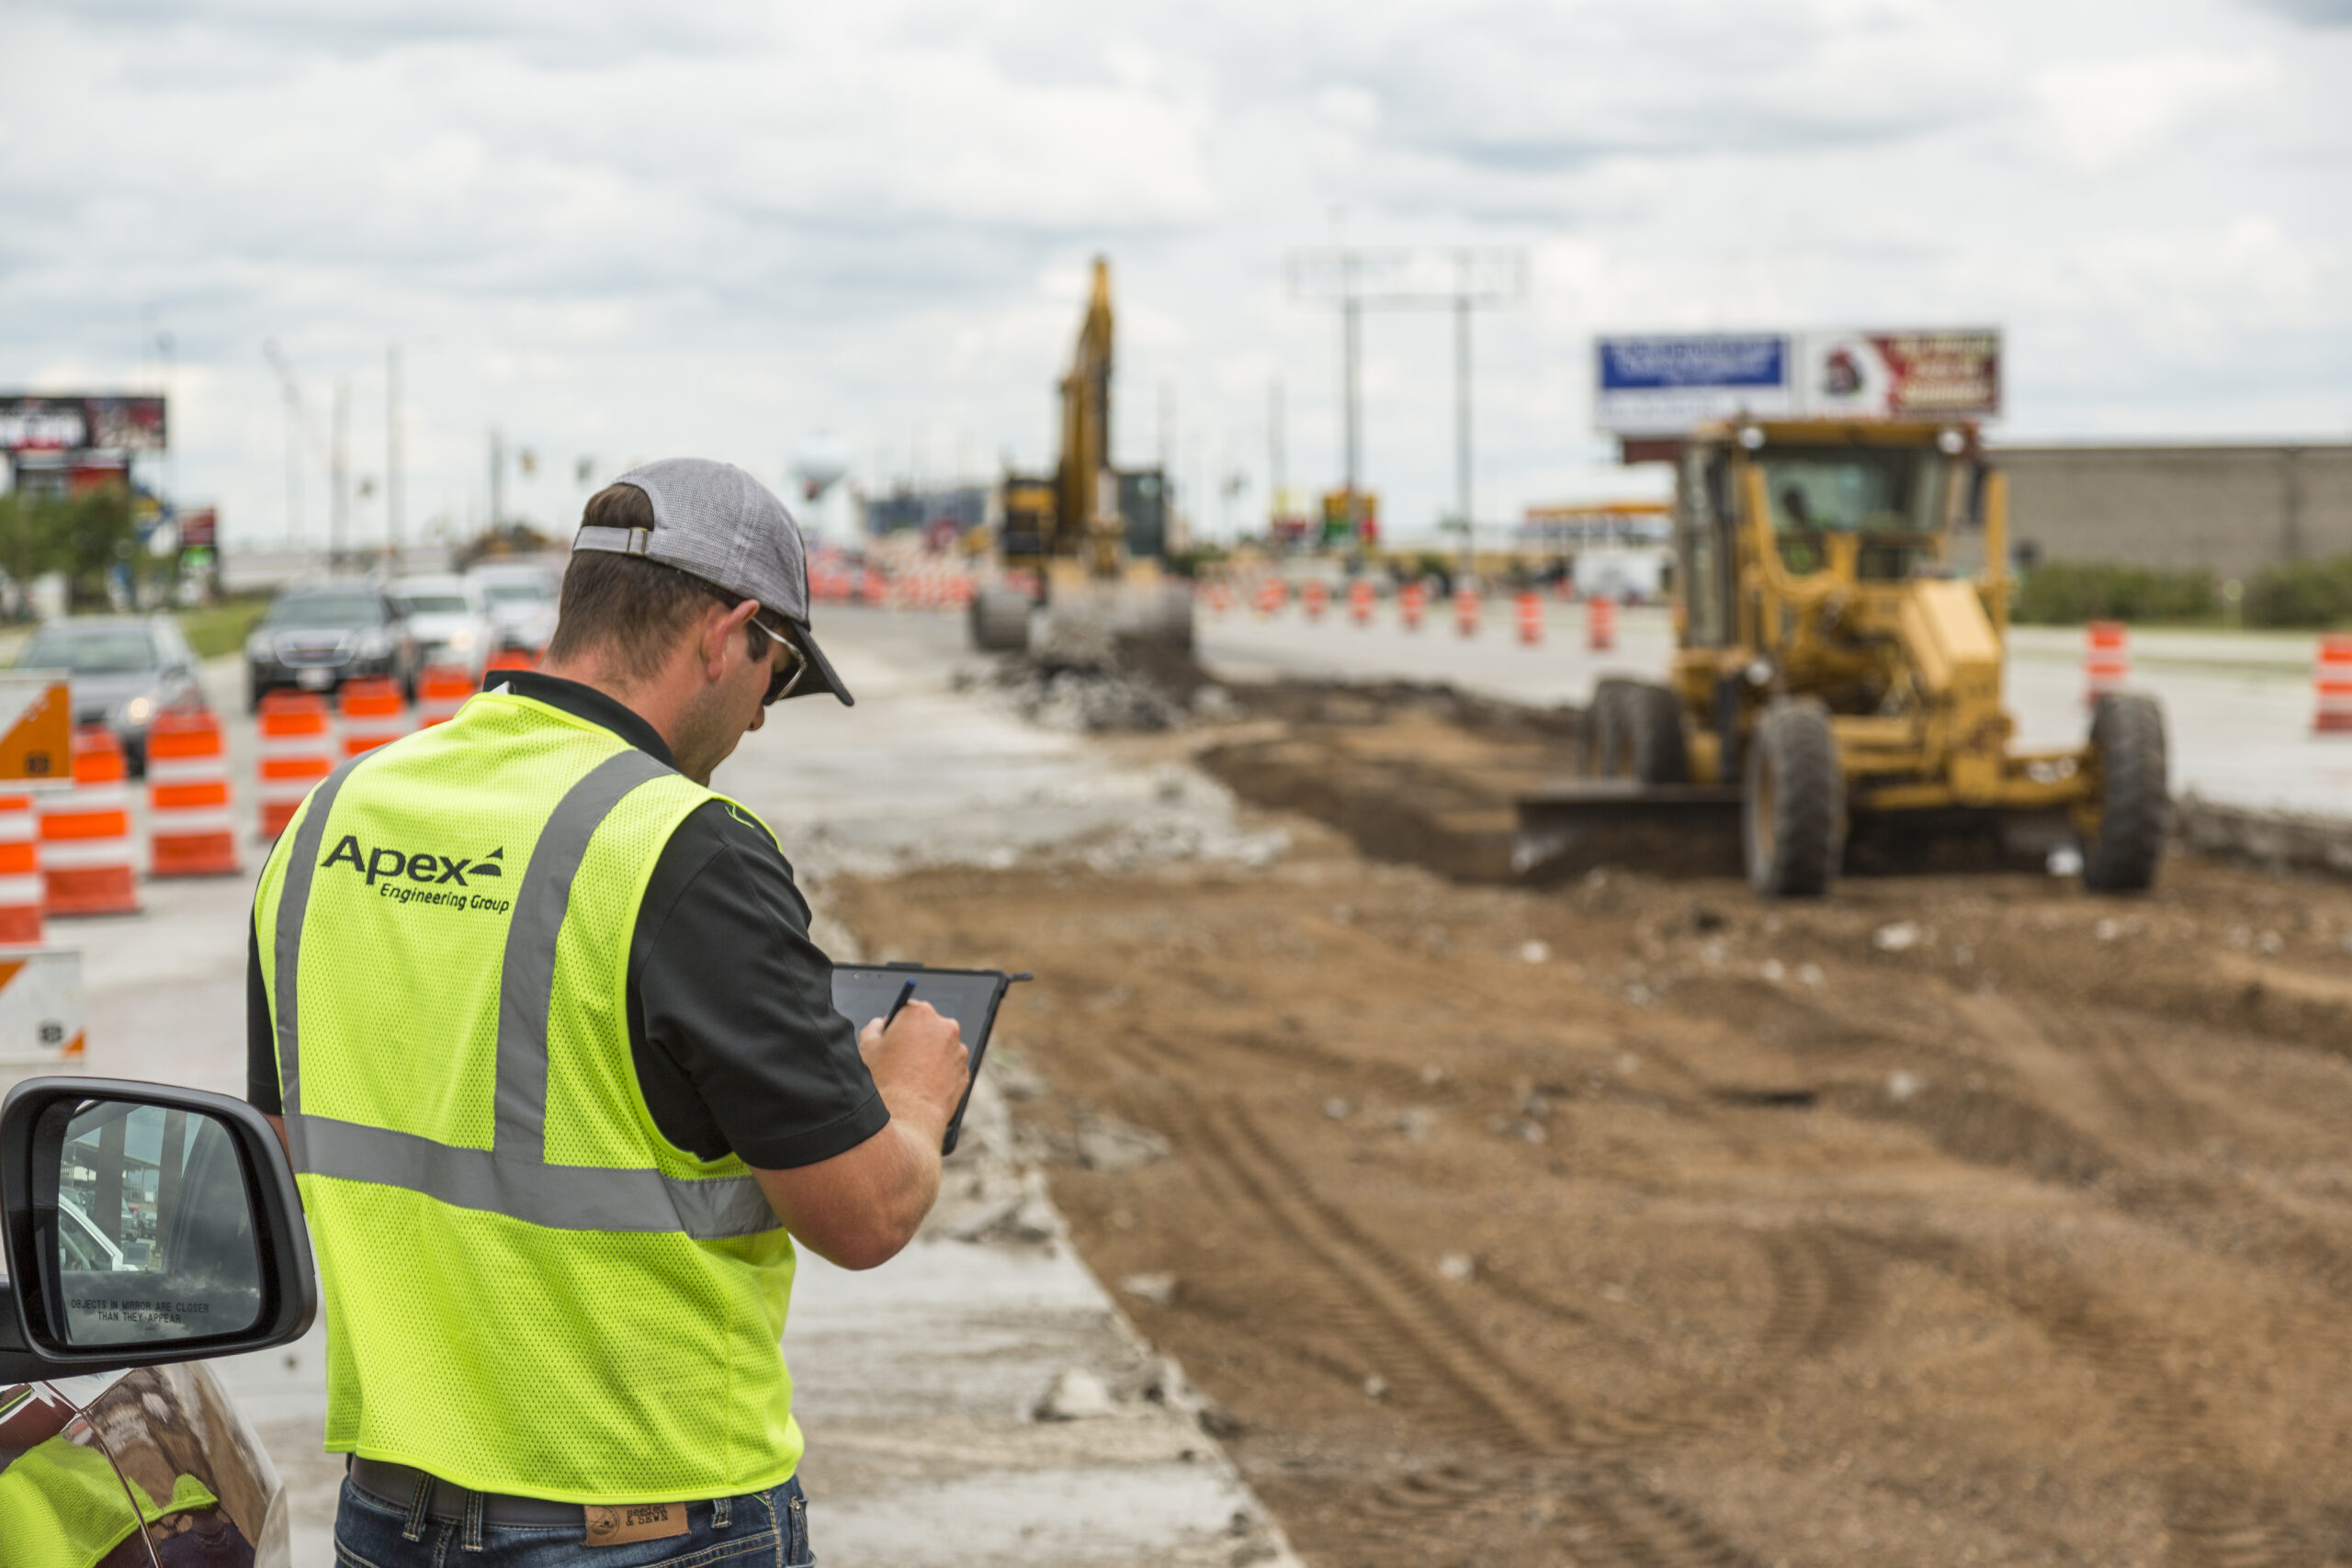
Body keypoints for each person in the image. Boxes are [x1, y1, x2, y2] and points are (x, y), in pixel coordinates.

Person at [246, 457, 970, 1566]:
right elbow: (861, 1215)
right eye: (776, 677)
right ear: (725, 636)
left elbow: (293, 1149)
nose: (761, 721)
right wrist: (910, 1098)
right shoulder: (681, 850)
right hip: (652, 1513)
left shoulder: (332, 818)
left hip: (393, 1515)